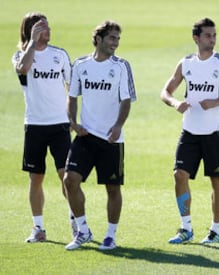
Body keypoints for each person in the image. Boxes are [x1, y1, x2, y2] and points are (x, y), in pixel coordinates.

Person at [160, 17, 219, 244]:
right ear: (196, 38)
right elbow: (166, 91)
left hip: (215, 133)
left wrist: (218, 101)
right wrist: (175, 103)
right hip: (189, 131)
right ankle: (185, 228)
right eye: (208, 35)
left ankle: (215, 230)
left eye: (215, 35)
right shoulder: (186, 63)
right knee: (179, 175)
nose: (213, 39)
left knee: (216, 181)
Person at [63, 20, 136, 251]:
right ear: (98, 39)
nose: (116, 43)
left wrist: (118, 125)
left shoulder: (122, 66)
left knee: (112, 189)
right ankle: (83, 231)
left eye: (118, 39)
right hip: (85, 136)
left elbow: (126, 100)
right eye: (112, 38)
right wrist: (73, 123)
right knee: (69, 180)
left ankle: (110, 236)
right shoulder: (81, 65)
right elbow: (72, 96)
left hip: (111, 139)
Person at [12, 12, 76, 243]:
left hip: (60, 124)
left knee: (66, 176)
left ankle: (75, 222)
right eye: (42, 27)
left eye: (48, 26)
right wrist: (31, 42)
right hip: (35, 125)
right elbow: (23, 69)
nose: (48, 31)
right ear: (30, 31)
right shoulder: (21, 55)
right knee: (35, 178)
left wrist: (72, 116)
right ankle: (38, 228)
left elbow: (72, 86)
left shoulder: (59, 55)